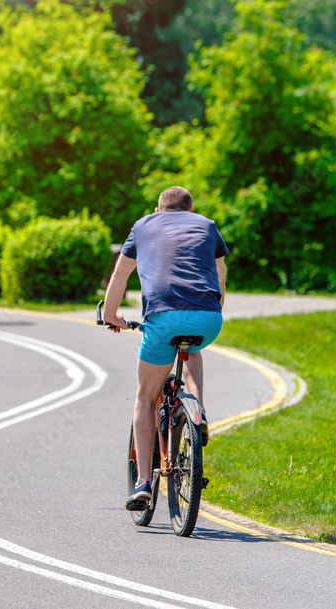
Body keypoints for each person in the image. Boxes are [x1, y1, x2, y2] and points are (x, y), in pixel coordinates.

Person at [101, 186, 228, 511]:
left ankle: (144, 481)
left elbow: (120, 274)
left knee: (146, 397)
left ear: (158, 211)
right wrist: (213, 311)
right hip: (208, 317)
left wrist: (110, 315)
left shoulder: (143, 225)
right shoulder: (207, 225)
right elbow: (220, 274)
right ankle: (198, 413)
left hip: (163, 317)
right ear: (190, 210)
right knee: (193, 349)